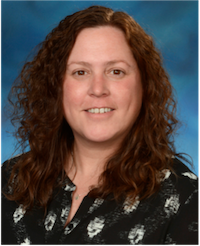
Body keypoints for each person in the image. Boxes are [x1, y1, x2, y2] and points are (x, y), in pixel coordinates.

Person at [0, 5, 199, 245]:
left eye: (116, 71)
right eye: (81, 72)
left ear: (144, 85)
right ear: (56, 86)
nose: (98, 89)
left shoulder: (186, 199)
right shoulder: (9, 180)